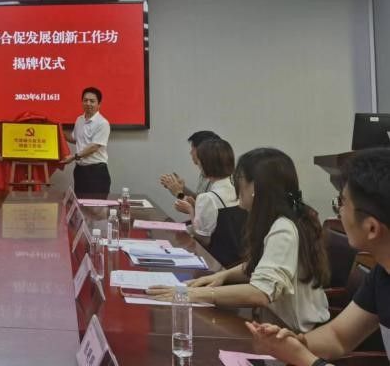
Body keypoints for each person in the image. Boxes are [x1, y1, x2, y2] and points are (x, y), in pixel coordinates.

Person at [148, 147, 330, 333]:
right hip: (273, 325)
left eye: (240, 179)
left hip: (297, 334)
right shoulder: (276, 220)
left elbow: (260, 292)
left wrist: (192, 294)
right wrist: (222, 276)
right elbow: (260, 264)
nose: (236, 185)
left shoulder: (284, 228)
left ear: (255, 187)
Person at [247, 148, 390, 365]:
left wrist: (305, 359)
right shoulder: (383, 272)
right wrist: (293, 342)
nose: (338, 212)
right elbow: (338, 337)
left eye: (341, 203)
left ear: (371, 228)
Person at [174, 138, 237, 245]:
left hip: (216, 253)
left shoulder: (208, 198)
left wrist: (191, 211)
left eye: (199, 161)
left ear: (206, 164)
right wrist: (196, 206)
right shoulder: (237, 190)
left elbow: (203, 240)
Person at [61, 87, 111, 198]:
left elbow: (94, 147)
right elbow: (74, 138)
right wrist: (57, 131)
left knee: (96, 207)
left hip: (96, 172)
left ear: (99, 104)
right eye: (85, 100)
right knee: (80, 204)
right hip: (80, 171)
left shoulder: (102, 123)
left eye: (92, 101)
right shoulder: (79, 120)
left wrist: (73, 157)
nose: (88, 103)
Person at [160, 130, 220, 200]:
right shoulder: (205, 172)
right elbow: (199, 199)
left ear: (202, 151)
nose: (190, 153)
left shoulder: (219, 177)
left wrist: (178, 194)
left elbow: (203, 206)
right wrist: (181, 188)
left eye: (193, 149)